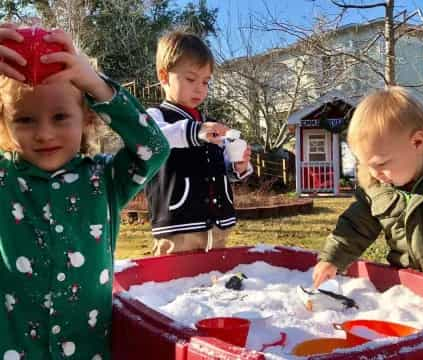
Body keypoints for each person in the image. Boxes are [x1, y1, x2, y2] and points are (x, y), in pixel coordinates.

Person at [0, 24, 171, 359]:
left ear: (88, 119)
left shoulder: (104, 178)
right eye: (25, 120)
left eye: (61, 116)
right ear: (4, 123)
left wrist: (94, 83)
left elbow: (154, 146)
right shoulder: (3, 178)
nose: (44, 133)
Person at [313, 86, 423, 288]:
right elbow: (355, 226)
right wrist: (332, 258)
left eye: (381, 164)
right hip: (409, 292)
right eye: (366, 165)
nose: (374, 173)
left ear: (418, 142)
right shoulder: (377, 189)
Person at [145, 30, 253, 255]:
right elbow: (154, 139)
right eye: (191, 79)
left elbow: (218, 167)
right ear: (164, 77)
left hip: (218, 226)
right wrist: (196, 131)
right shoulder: (156, 118)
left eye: (206, 82)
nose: (200, 88)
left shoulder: (207, 125)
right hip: (178, 227)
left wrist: (238, 166)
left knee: (213, 282)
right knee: (175, 284)